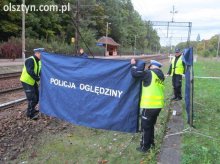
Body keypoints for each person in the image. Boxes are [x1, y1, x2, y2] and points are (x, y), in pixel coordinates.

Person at [131, 59, 165, 153]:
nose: (149, 68)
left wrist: (133, 65)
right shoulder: (160, 76)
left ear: (152, 66)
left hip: (149, 105)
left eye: (149, 67)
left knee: (145, 127)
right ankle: (151, 144)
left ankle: (144, 147)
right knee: (151, 126)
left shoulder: (150, 73)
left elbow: (135, 74)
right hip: (158, 105)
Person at [20, 48, 44, 120]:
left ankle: (32, 109)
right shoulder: (30, 60)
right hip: (27, 81)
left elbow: (39, 71)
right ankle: (30, 114)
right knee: (32, 99)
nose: (42, 55)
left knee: (37, 97)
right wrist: (37, 78)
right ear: (37, 53)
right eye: (41, 54)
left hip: (33, 81)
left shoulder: (39, 61)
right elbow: (29, 71)